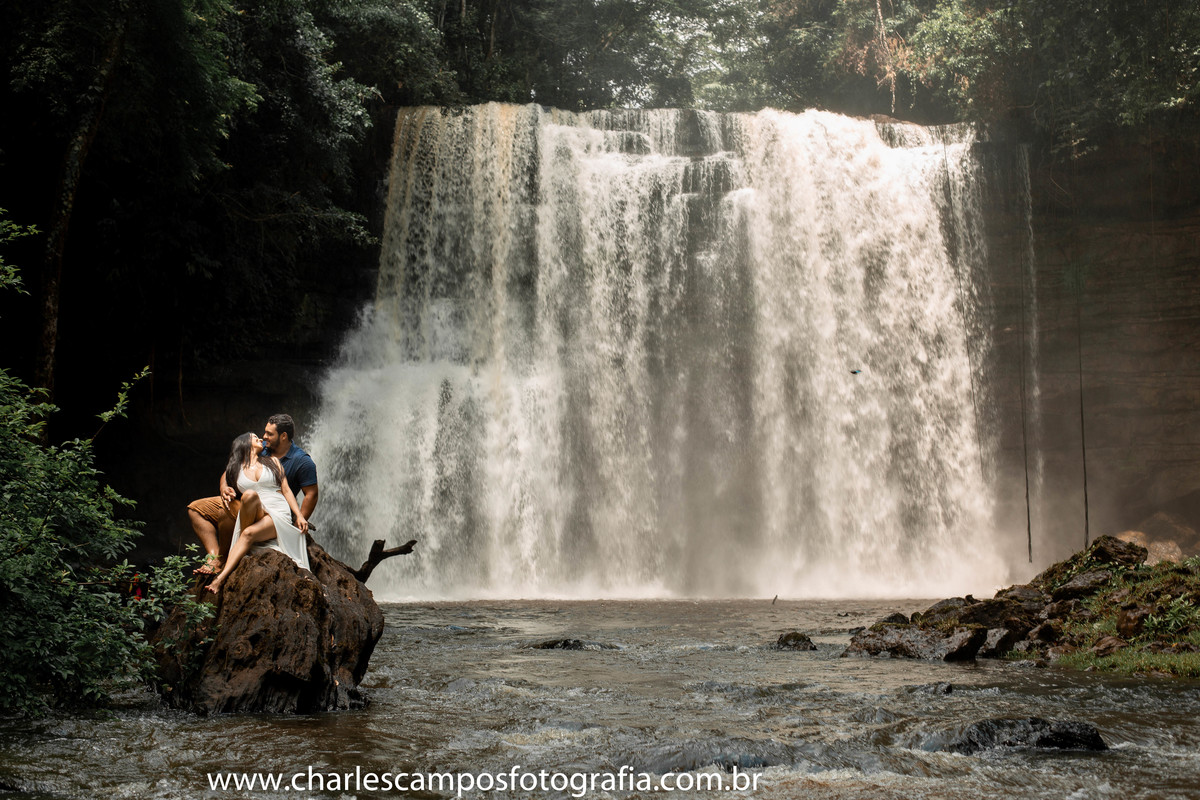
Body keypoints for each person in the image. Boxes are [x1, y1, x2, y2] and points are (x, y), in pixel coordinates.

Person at [188, 413, 320, 574]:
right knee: (196, 509)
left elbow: (311, 494)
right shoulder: (262, 448)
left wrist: (297, 522)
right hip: (247, 502)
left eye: (269, 434)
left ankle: (222, 559)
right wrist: (224, 488)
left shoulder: (302, 461)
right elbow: (229, 471)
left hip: (273, 509)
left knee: (226, 511)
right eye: (264, 433)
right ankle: (213, 556)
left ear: (283, 436)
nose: (264, 437)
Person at [206, 432, 310, 594]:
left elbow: (287, 490)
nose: (260, 439)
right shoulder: (235, 469)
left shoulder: (273, 461)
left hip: (277, 509)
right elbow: (224, 480)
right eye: (255, 438)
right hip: (257, 510)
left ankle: (220, 578)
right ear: (244, 444)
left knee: (248, 533)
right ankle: (245, 544)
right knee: (249, 495)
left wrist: (300, 515)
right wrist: (224, 488)